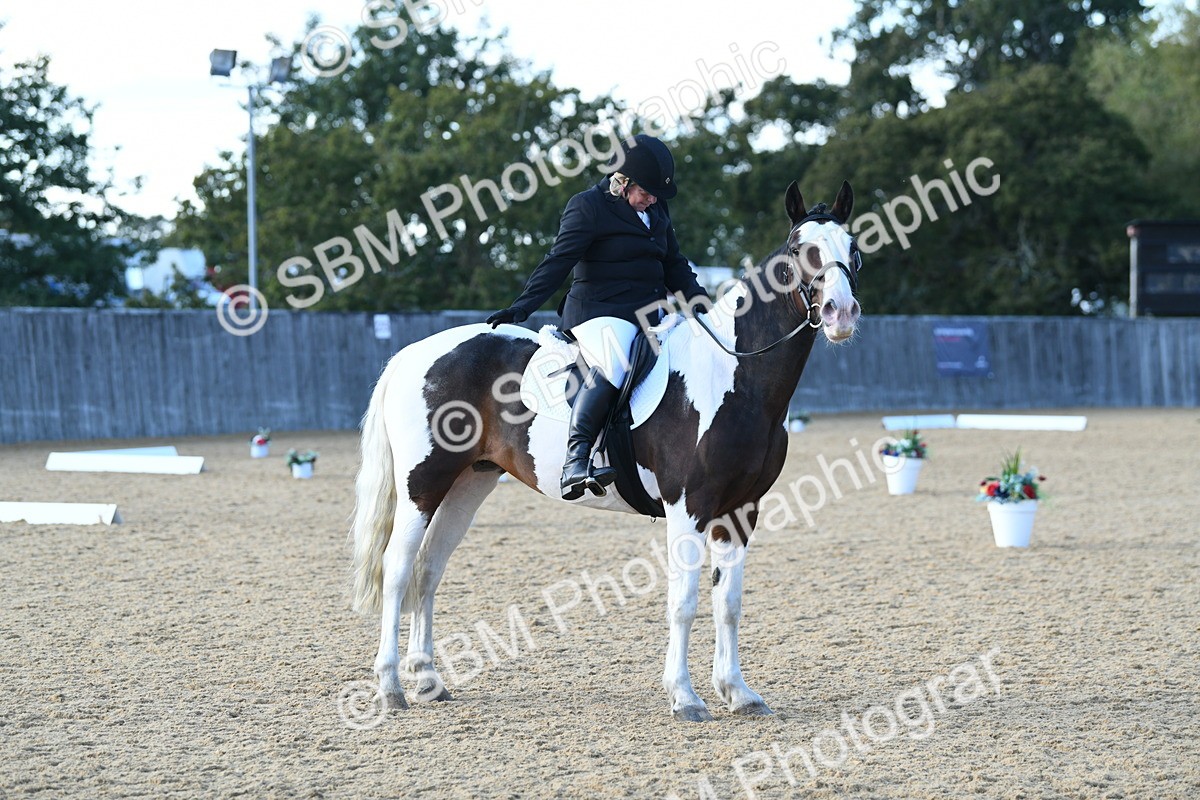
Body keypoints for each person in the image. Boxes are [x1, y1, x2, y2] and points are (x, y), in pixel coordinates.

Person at [485, 134, 712, 501]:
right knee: (613, 361)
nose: (653, 200)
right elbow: (559, 261)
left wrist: (700, 305)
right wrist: (522, 306)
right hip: (601, 312)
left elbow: (673, 263)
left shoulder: (657, 211)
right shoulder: (588, 207)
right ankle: (577, 460)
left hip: (651, 313)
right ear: (622, 181)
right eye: (647, 192)